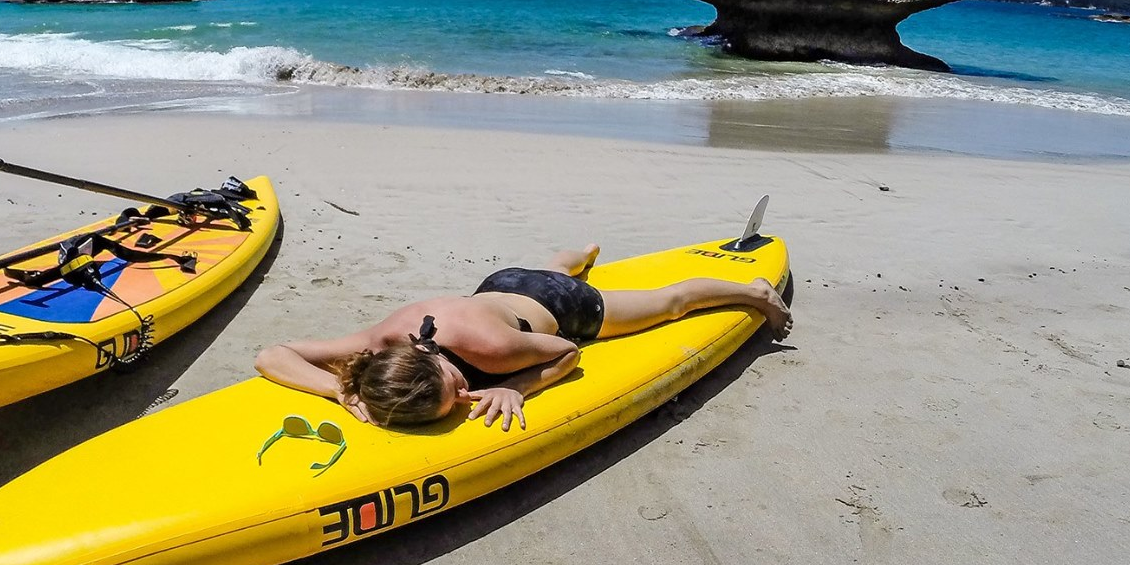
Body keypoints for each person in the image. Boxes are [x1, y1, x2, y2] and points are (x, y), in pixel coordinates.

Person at [255, 244, 790, 432]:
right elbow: (270, 355)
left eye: (455, 388)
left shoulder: (494, 351)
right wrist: (342, 392)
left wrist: (520, 386)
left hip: (559, 307)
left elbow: (567, 351)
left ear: (440, 363)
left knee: (672, 303)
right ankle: (577, 253)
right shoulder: (379, 341)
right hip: (498, 287)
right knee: (547, 269)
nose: (466, 395)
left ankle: (753, 290)